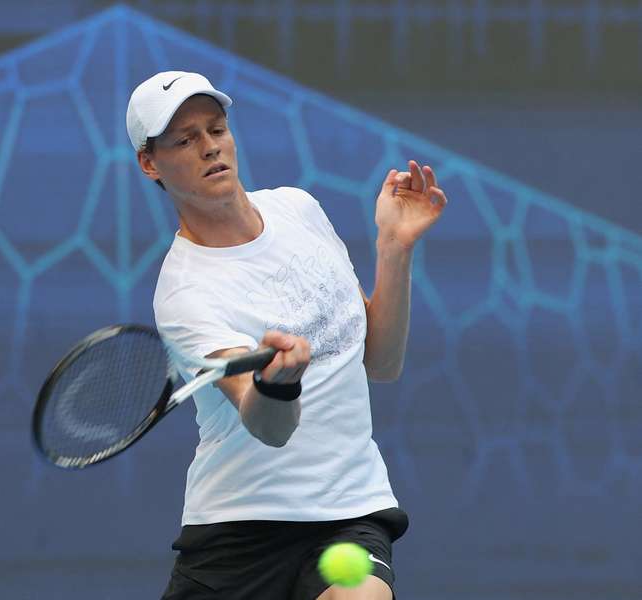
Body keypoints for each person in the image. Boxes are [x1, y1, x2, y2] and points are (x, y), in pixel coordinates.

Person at [126, 71, 447, 600]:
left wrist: (393, 246)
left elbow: (380, 362)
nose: (209, 148)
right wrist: (280, 384)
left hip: (349, 510)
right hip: (237, 534)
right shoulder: (185, 293)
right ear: (150, 163)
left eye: (216, 130)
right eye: (185, 140)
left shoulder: (299, 209)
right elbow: (268, 426)